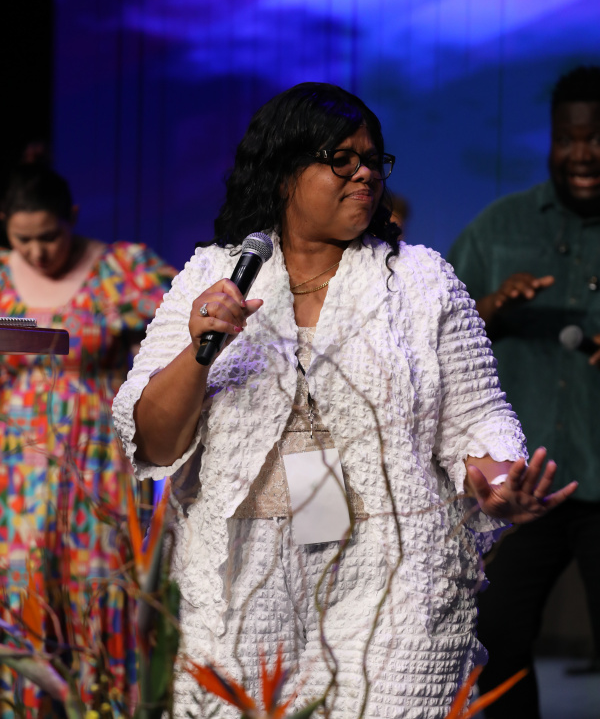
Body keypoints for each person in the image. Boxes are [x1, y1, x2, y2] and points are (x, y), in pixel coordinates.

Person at [113, 82, 576, 719]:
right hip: (241, 577)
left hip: (394, 571)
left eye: (373, 159)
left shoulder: (421, 281)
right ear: (283, 172)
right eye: (341, 159)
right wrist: (201, 350)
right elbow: (153, 442)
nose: (365, 173)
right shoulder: (212, 277)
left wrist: (497, 477)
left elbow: (479, 416)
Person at [447, 65, 600, 718]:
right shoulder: (499, 226)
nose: (582, 153)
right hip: (524, 486)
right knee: (498, 637)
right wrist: (491, 306)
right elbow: (436, 331)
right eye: (568, 138)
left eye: (595, 138)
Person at [0, 165, 175, 715]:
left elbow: (181, 319)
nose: (37, 251)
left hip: (97, 463)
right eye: (23, 239)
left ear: (71, 219)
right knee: (22, 590)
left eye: (49, 236)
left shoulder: (122, 269)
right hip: (17, 472)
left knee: (100, 589)